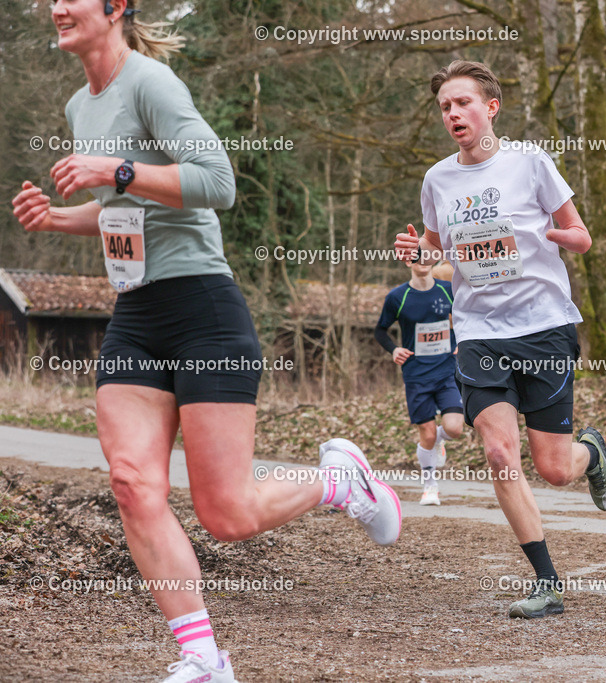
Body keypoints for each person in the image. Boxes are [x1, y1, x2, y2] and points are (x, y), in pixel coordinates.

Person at [11, 2, 401, 680]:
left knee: (227, 514)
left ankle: (340, 480)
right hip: (136, 314)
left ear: (116, 7)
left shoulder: (151, 83)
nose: (57, 7)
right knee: (133, 484)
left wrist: (116, 170)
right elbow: (123, 210)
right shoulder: (80, 105)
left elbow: (216, 184)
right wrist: (57, 219)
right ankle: (203, 657)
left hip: (203, 311)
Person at [394, 60, 606, 619]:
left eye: (463, 103)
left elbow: (582, 237)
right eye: (445, 107)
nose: (453, 114)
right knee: (499, 453)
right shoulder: (437, 179)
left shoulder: (530, 162)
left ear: (490, 108)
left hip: (543, 328)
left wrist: (549, 233)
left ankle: (590, 453)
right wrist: (419, 254)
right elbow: (435, 252)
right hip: (478, 332)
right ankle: (547, 583)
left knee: (554, 469)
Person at [375, 260, 464, 505]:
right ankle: (430, 486)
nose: (422, 262)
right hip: (416, 374)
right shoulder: (397, 297)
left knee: (455, 428)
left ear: (433, 260)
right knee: (426, 434)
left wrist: (462, 342)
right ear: (408, 261)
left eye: (426, 257)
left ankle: (439, 440)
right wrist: (394, 350)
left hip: (447, 370)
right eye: (416, 257)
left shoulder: (448, 289)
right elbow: (380, 330)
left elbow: (468, 316)